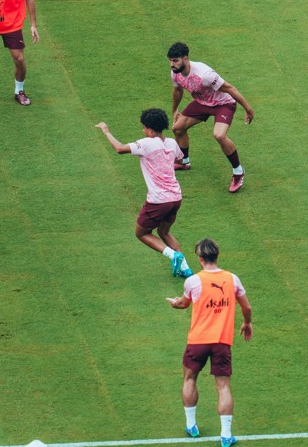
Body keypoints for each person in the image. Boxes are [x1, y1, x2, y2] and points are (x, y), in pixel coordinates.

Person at [166, 238, 253, 447]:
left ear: (200, 258)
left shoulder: (193, 281)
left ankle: (191, 426)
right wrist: (247, 323)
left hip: (197, 341)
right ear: (217, 255)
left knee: (189, 379)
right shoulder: (232, 279)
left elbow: (183, 304)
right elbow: (247, 307)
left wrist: (174, 303)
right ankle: (225, 436)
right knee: (223, 387)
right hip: (222, 342)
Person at [96, 109, 192, 278]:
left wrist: (106, 131)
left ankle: (173, 255)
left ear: (150, 130)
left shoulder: (147, 143)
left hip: (158, 200)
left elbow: (119, 149)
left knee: (141, 233)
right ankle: (186, 269)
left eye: (144, 128)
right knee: (164, 232)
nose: (143, 131)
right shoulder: (171, 143)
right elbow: (179, 158)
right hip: (176, 197)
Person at [167, 42, 255, 193]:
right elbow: (177, 90)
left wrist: (247, 108)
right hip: (202, 102)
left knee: (219, 135)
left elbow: (229, 88)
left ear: (185, 59)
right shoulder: (175, 72)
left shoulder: (205, 75)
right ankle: (184, 161)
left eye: (175, 60)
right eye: (170, 60)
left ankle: (238, 172)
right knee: (177, 128)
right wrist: (175, 109)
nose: (172, 64)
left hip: (223, 104)